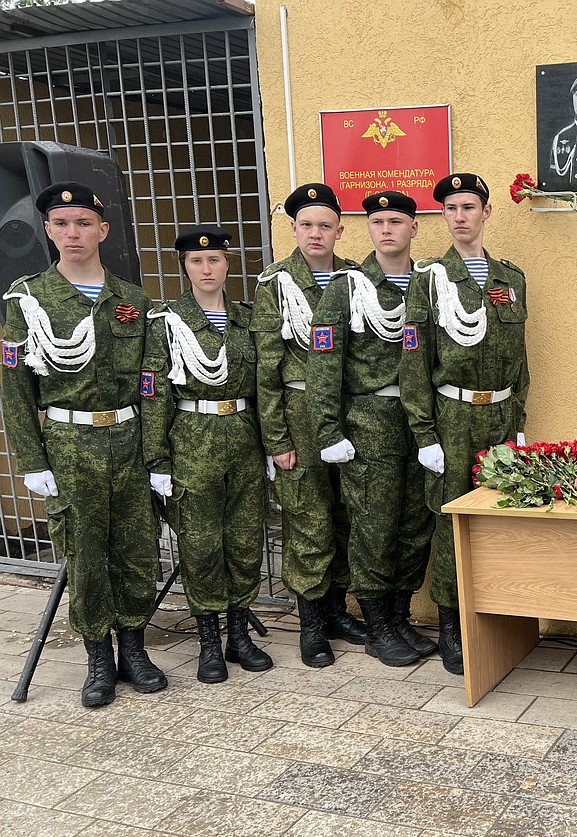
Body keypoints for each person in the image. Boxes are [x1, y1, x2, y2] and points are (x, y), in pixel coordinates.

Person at [0, 181, 166, 706]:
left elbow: (150, 382)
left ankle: (134, 649)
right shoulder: (28, 300)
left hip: (128, 438)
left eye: (84, 224)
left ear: (103, 230)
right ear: (48, 230)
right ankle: (99, 658)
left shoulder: (133, 300)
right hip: (69, 445)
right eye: (62, 224)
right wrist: (30, 459)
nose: (74, 234)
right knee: (86, 555)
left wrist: (155, 452)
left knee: (138, 551)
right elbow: (15, 387)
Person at [400, 172, 530, 675]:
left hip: (498, 413)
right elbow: (414, 364)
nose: (459, 217)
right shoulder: (429, 278)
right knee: (453, 520)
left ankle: (494, 615)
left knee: (497, 516)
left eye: (468, 207)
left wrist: (518, 423)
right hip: (452, 417)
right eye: (450, 209)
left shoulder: (510, 279)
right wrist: (425, 435)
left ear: (486, 213)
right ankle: (452, 622)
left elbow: (519, 361)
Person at [309, 191, 435, 668]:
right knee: (373, 528)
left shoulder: (428, 284)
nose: (387, 229)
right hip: (369, 426)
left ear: (413, 229)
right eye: (378, 221)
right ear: (367, 229)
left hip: (421, 425)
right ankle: (378, 625)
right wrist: (329, 432)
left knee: (413, 526)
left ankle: (401, 617)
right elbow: (324, 368)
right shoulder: (347, 288)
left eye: (397, 221)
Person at [141, 225, 272, 682]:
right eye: (196, 261)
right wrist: (156, 460)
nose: (206, 268)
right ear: (185, 267)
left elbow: (262, 389)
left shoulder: (247, 319)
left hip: (243, 439)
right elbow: (154, 394)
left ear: (227, 263)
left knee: (243, 542)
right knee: (200, 547)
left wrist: (272, 445)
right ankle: (209, 642)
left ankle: (239, 635)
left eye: (214, 259)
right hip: (192, 442)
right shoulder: (166, 322)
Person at [251, 182, 367, 666]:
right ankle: (312, 624)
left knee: (345, 515)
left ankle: (338, 609)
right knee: (307, 519)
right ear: (293, 228)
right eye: (306, 225)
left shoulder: (358, 278)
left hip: (351, 413)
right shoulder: (275, 284)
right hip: (299, 417)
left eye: (325, 225)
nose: (315, 233)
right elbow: (267, 371)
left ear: (339, 230)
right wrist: (276, 439)